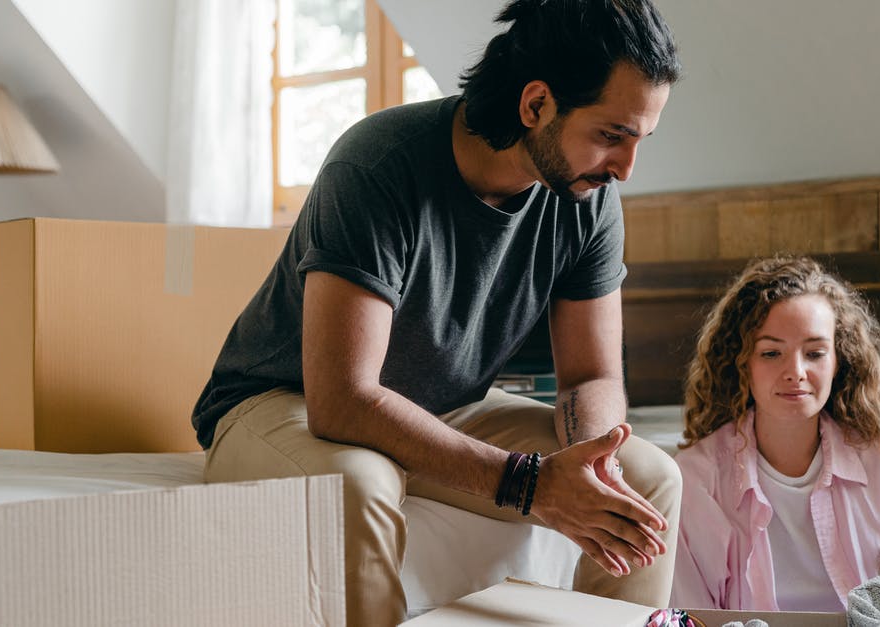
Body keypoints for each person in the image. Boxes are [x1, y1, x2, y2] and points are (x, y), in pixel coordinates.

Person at [191, 1, 683, 624]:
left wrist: (592, 467)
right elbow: (342, 398)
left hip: (443, 404)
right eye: (611, 135)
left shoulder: (587, 197)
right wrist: (529, 482)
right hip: (283, 401)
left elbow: (591, 378)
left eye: (640, 140)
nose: (625, 168)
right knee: (359, 485)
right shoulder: (378, 164)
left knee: (646, 479)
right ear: (536, 105)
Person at [670, 256, 880, 612]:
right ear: (742, 361)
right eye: (771, 352)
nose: (795, 372)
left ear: (840, 360)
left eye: (814, 353)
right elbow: (687, 619)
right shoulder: (694, 481)